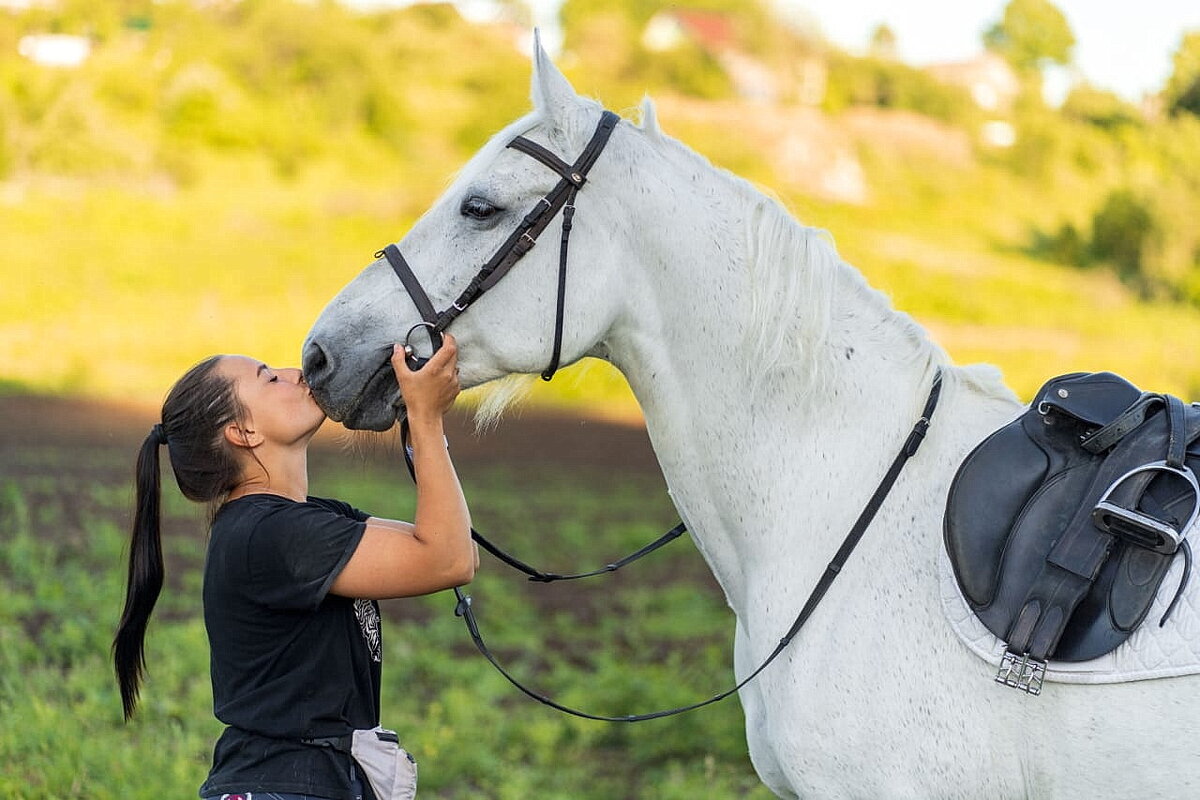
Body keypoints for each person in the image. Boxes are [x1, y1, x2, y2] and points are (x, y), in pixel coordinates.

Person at [113, 335, 475, 800]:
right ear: (243, 434)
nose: (295, 373)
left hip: (305, 781)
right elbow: (448, 559)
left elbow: (453, 546)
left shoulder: (301, 521)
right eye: (269, 377)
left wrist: (420, 416)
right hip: (285, 786)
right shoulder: (271, 536)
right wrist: (425, 418)